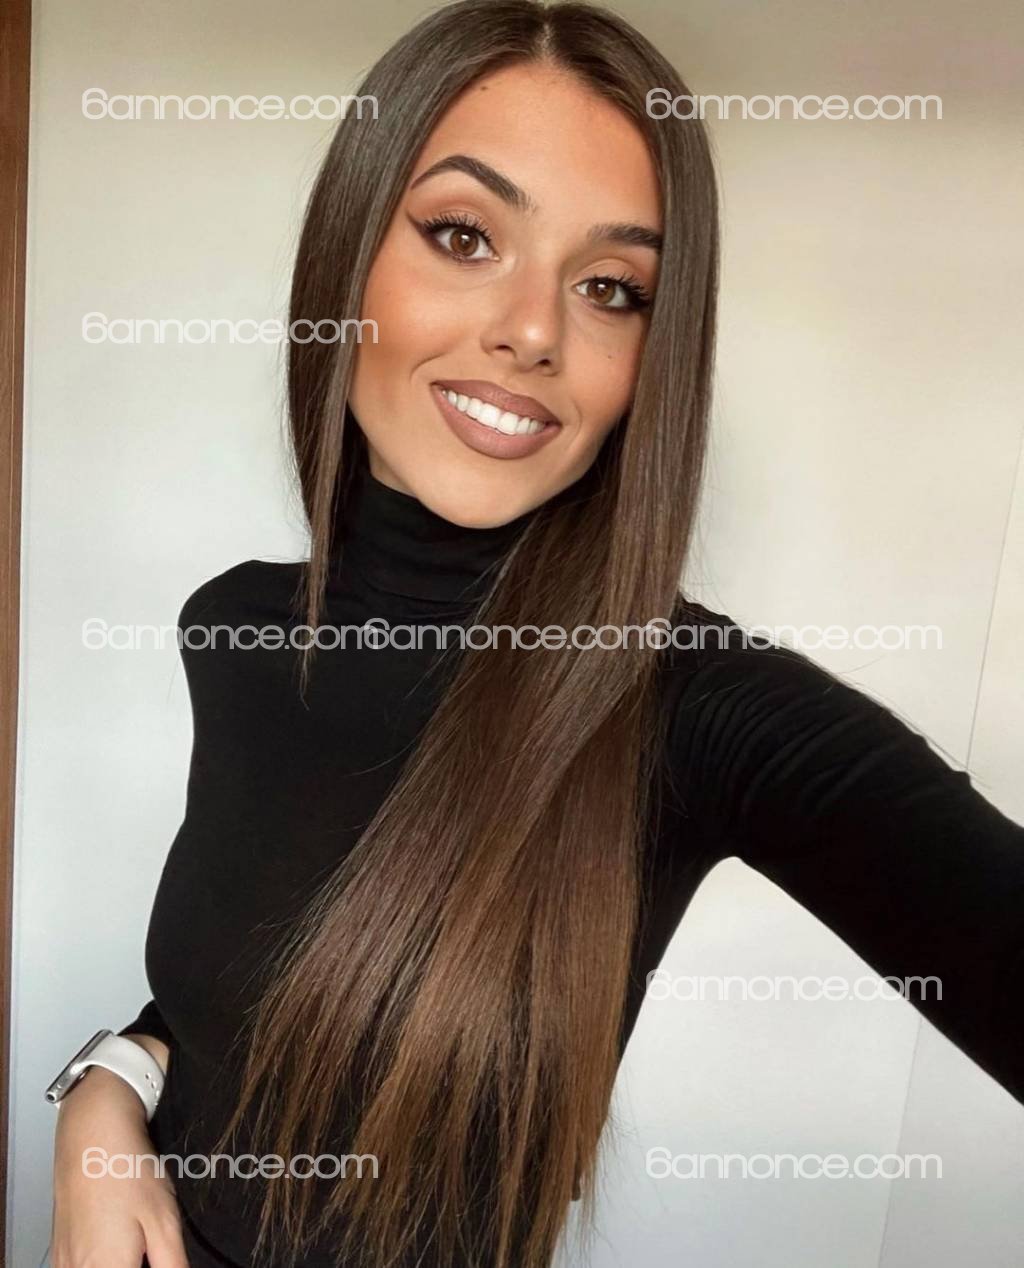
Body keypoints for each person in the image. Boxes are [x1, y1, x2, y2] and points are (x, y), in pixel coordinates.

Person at [48, 2, 1024, 1266]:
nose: (533, 329)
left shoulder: (691, 704)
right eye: (463, 235)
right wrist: (105, 1095)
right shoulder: (233, 625)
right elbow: (238, 1002)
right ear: (347, 259)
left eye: (610, 288)